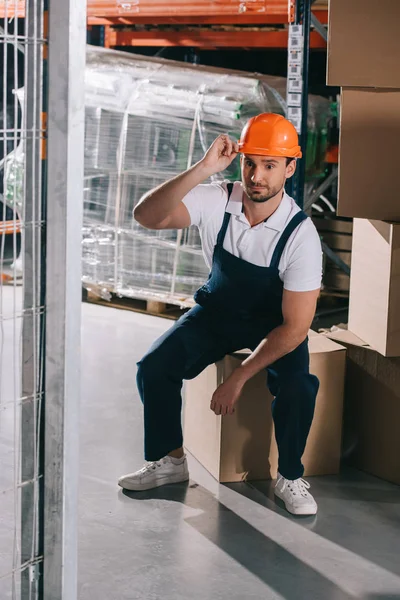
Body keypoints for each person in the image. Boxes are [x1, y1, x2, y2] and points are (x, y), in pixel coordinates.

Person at [118, 113, 323, 516]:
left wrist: (239, 377)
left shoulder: (300, 234)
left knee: (299, 385)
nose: (256, 176)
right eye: (250, 162)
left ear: (290, 168)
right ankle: (170, 461)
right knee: (154, 367)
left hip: (275, 324)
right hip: (218, 312)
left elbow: (296, 327)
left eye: (270, 165)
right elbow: (147, 216)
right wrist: (204, 168)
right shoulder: (219, 197)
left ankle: (291, 475)